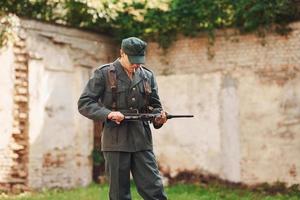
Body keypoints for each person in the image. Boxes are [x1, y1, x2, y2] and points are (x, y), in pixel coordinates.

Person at [78, 37, 168, 200]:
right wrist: (108, 114)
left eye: (140, 60)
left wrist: (158, 118)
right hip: (116, 141)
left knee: (154, 190)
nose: (137, 64)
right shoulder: (104, 73)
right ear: (122, 53)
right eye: (133, 60)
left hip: (142, 140)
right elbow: (85, 103)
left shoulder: (147, 75)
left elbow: (155, 106)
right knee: (119, 194)